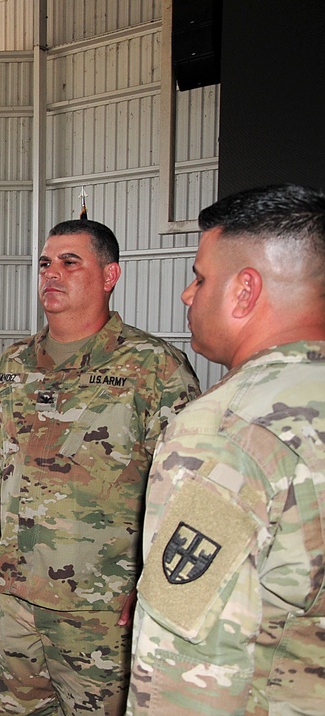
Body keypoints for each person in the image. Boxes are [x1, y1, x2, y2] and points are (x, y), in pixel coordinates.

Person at [0, 218, 201, 715]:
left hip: (103, 611)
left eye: (71, 262)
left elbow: (187, 490)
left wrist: (155, 587)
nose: (52, 273)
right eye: (46, 263)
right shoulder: (13, 364)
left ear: (109, 276)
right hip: (16, 603)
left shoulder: (152, 367)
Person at [127, 184, 325, 714]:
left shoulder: (226, 431)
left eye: (200, 277)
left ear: (244, 291)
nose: (189, 294)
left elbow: (188, 674)